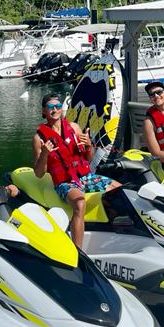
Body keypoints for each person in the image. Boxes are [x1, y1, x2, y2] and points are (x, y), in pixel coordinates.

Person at [32, 94, 120, 249]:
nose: (55, 110)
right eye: (50, 107)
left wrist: (89, 146)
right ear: (43, 111)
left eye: (58, 106)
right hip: (65, 182)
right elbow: (39, 173)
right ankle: (78, 251)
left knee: (120, 190)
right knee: (80, 203)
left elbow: (89, 158)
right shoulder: (39, 137)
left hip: (85, 177)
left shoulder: (74, 128)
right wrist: (45, 153)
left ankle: (115, 229)